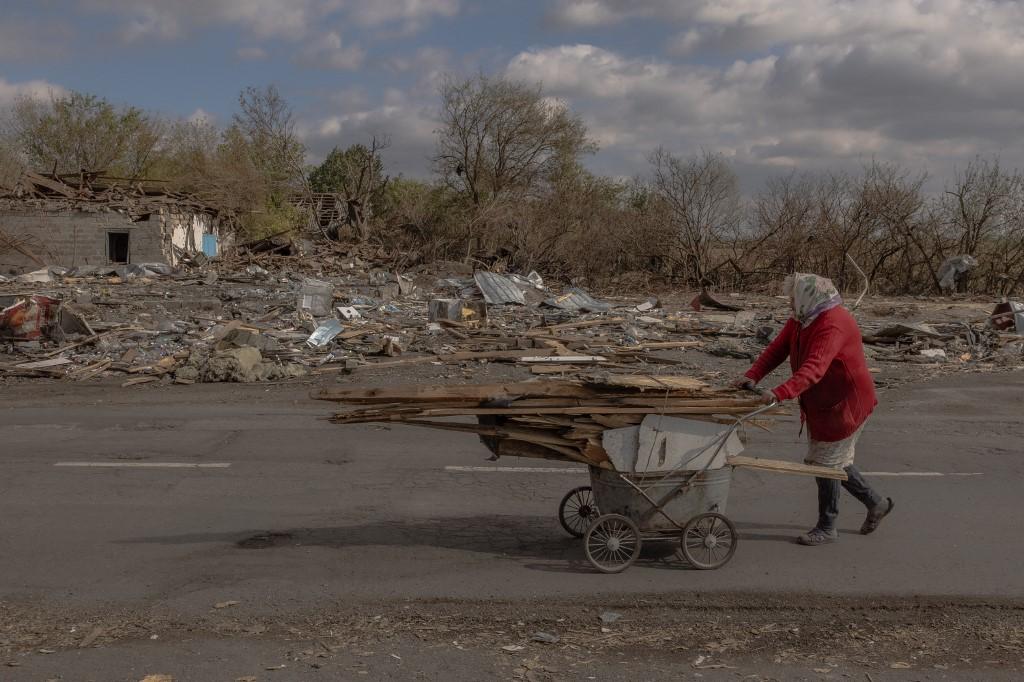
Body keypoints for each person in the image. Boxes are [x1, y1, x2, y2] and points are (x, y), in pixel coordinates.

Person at [734, 273, 894, 545]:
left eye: (792, 297)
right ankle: (876, 503)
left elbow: (814, 369)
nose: (789, 302)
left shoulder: (833, 324)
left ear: (808, 297)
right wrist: (752, 375)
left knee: (825, 463)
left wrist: (779, 393)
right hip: (823, 402)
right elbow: (777, 349)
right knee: (832, 460)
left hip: (846, 403)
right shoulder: (803, 318)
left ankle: (827, 525)